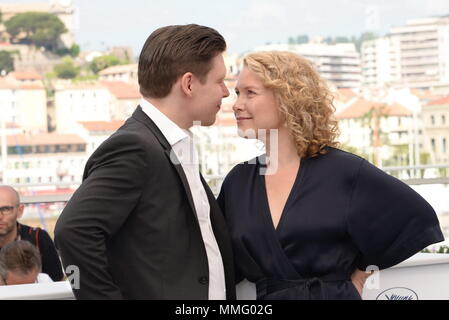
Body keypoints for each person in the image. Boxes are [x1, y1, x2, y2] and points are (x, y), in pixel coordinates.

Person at [217, 51, 445, 300]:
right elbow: (221, 261)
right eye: (238, 93)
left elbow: (416, 218)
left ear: (287, 99)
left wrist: (360, 273)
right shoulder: (238, 181)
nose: (236, 104)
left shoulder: (344, 171)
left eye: (250, 92)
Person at [54, 24, 236, 300]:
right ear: (188, 84)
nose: (225, 92)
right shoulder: (135, 147)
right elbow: (73, 232)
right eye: (219, 80)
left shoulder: (170, 142)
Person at [0, 185, 64, 282]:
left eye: (6, 209)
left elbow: (56, 284)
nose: (0, 216)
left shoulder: (39, 238)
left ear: (20, 211)